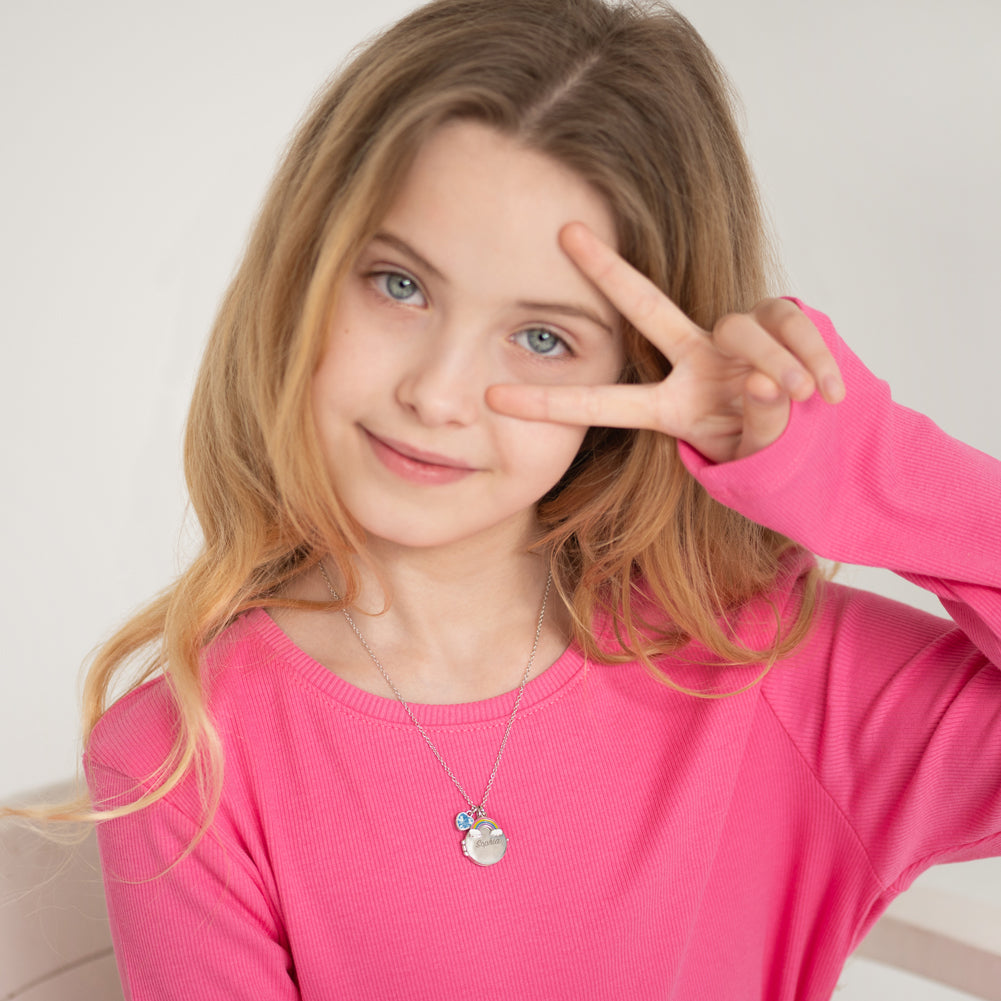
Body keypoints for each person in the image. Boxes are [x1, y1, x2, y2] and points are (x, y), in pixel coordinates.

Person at [48, 0, 1001, 998]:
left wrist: (853, 470)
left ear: (635, 376)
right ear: (304, 272)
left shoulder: (767, 667)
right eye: (399, 284)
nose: (436, 393)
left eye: (542, 337)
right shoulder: (181, 761)